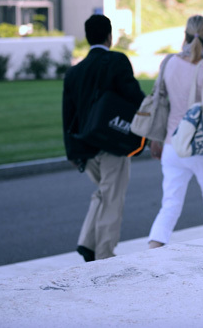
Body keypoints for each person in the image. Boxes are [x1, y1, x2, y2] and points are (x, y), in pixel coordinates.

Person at [62, 14, 145, 262]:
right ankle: (104, 255)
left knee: (103, 192)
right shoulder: (117, 61)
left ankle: (87, 244)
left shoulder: (74, 72)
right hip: (113, 144)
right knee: (112, 199)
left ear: (87, 38)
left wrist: (72, 152)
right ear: (110, 36)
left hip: (85, 149)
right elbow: (135, 98)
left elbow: (68, 116)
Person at [148, 15, 203, 249]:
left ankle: (153, 250)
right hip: (201, 148)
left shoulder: (168, 62)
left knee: (170, 205)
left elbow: (160, 104)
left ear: (185, 35)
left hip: (170, 146)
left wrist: (155, 139)